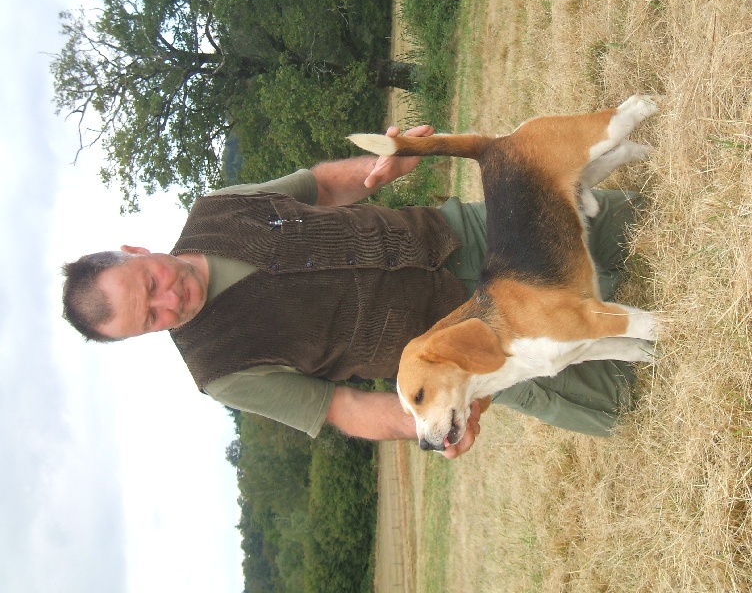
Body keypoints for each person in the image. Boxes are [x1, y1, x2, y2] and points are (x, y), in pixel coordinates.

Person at [62, 125, 643, 459]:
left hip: (461, 237)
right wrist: (436, 428)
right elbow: (344, 409)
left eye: (151, 284)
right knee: (628, 399)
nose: (170, 302)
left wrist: (383, 168)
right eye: (151, 319)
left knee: (634, 226)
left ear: (138, 252)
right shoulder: (220, 371)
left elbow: (316, 187)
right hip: (462, 350)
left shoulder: (217, 209)